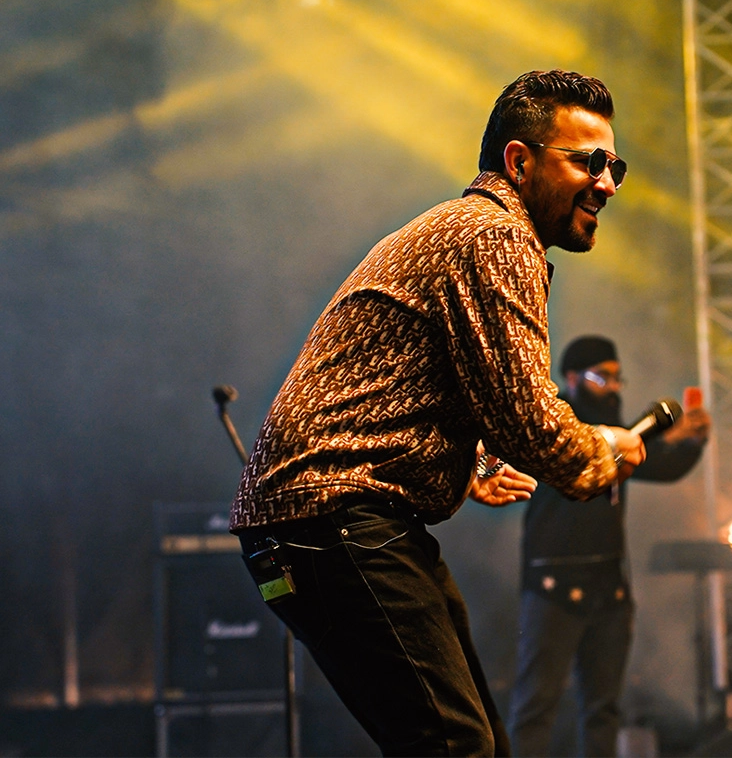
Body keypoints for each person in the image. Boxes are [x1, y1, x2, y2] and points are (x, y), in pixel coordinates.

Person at [229, 70, 647, 757]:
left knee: (477, 743)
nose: (606, 184)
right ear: (520, 161)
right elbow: (530, 422)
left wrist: (471, 460)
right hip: (333, 515)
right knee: (454, 745)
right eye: (587, 161)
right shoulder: (494, 236)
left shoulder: (463, 229)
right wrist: (599, 450)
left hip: (328, 517)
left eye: (614, 167)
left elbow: (419, 378)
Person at [508, 335, 711, 758]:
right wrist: (651, 435)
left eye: (618, 378)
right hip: (553, 585)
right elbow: (588, 452)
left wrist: (690, 442)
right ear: (571, 378)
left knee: (604, 709)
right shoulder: (554, 425)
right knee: (536, 705)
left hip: (608, 587)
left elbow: (659, 466)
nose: (613, 387)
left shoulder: (620, 431)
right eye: (602, 377)